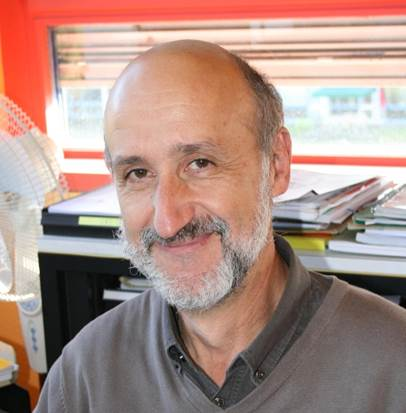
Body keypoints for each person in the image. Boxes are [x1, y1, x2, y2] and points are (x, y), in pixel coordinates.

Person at [34, 40, 406, 413]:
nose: (167, 221)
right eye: (138, 173)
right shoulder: (84, 375)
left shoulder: (394, 364)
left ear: (276, 163)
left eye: (200, 163)